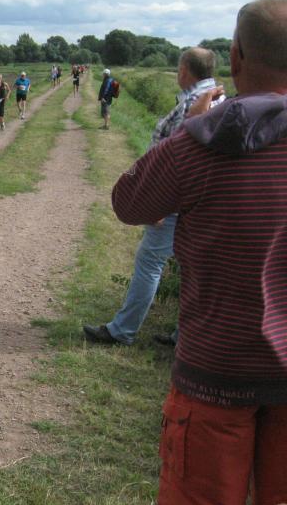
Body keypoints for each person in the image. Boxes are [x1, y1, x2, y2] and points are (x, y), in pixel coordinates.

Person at [112, 0, 287, 505]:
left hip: (215, 370)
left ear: (235, 57)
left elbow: (130, 201)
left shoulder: (204, 142)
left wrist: (185, 130)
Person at [83, 47, 225, 346]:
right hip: (201, 202)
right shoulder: (218, 98)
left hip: (176, 202)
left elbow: (179, 160)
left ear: (184, 70)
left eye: (178, 68)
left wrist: (158, 202)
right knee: (191, 268)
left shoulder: (195, 103)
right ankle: (184, 335)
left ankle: (122, 331)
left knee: (150, 263)